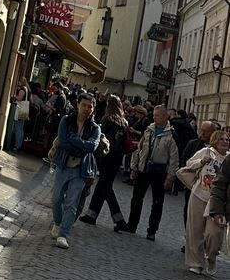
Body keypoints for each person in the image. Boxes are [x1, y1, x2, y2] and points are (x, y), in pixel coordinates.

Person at [50, 92, 100, 249]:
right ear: (78, 105)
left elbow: (91, 147)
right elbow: (63, 142)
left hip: (81, 169)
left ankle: (63, 235)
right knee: (56, 198)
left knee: (72, 203)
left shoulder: (95, 128)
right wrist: (80, 144)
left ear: (93, 109)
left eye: (90, 106)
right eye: (84, 105)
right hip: (64, 164)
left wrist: (73, 139)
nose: (86, 109)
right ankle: (58, 222)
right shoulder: (66, 121)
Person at [181, 128, 230, 275]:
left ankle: (212, 257)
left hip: (218, 201)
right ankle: (195, 263)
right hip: (199, 194)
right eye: (222, 139)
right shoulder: (206, 152)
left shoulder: (228, 158)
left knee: (213, 233)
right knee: (195, 230)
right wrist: (202, 161)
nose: (225, 142)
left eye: (227, 139)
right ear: (215, 140)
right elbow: (189, 164)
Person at [127, 105, 179, 240]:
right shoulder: (149, 130)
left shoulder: (172, 134)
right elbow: (139, 149)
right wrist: (134, 167)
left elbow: (174, 159)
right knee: (136, 198)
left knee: (157, 202)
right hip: (144, 168)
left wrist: (170, 177)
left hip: (160, 171)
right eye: (154, 115)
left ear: (164, 116)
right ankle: (132, 225)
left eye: (157, 115)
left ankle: (152, 230)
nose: (154, 117)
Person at [79, 94, 130, 231]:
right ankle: (93, 215)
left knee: (105, 187)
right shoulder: (123, 123)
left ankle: (118, 220)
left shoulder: (107, 120)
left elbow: (102, 140)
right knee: (104, 186)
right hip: (117, 158)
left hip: (107, 156)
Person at [11, 78, 30, 151]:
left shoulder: (22, 90)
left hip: (20, 108)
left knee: (18, 127)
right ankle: (19, 144)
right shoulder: (26, 89)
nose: (18, 83)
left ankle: (16, 145)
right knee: (21, 128)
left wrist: (14, 96)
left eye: (19, 81)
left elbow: (19, 98)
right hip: (25, 107)